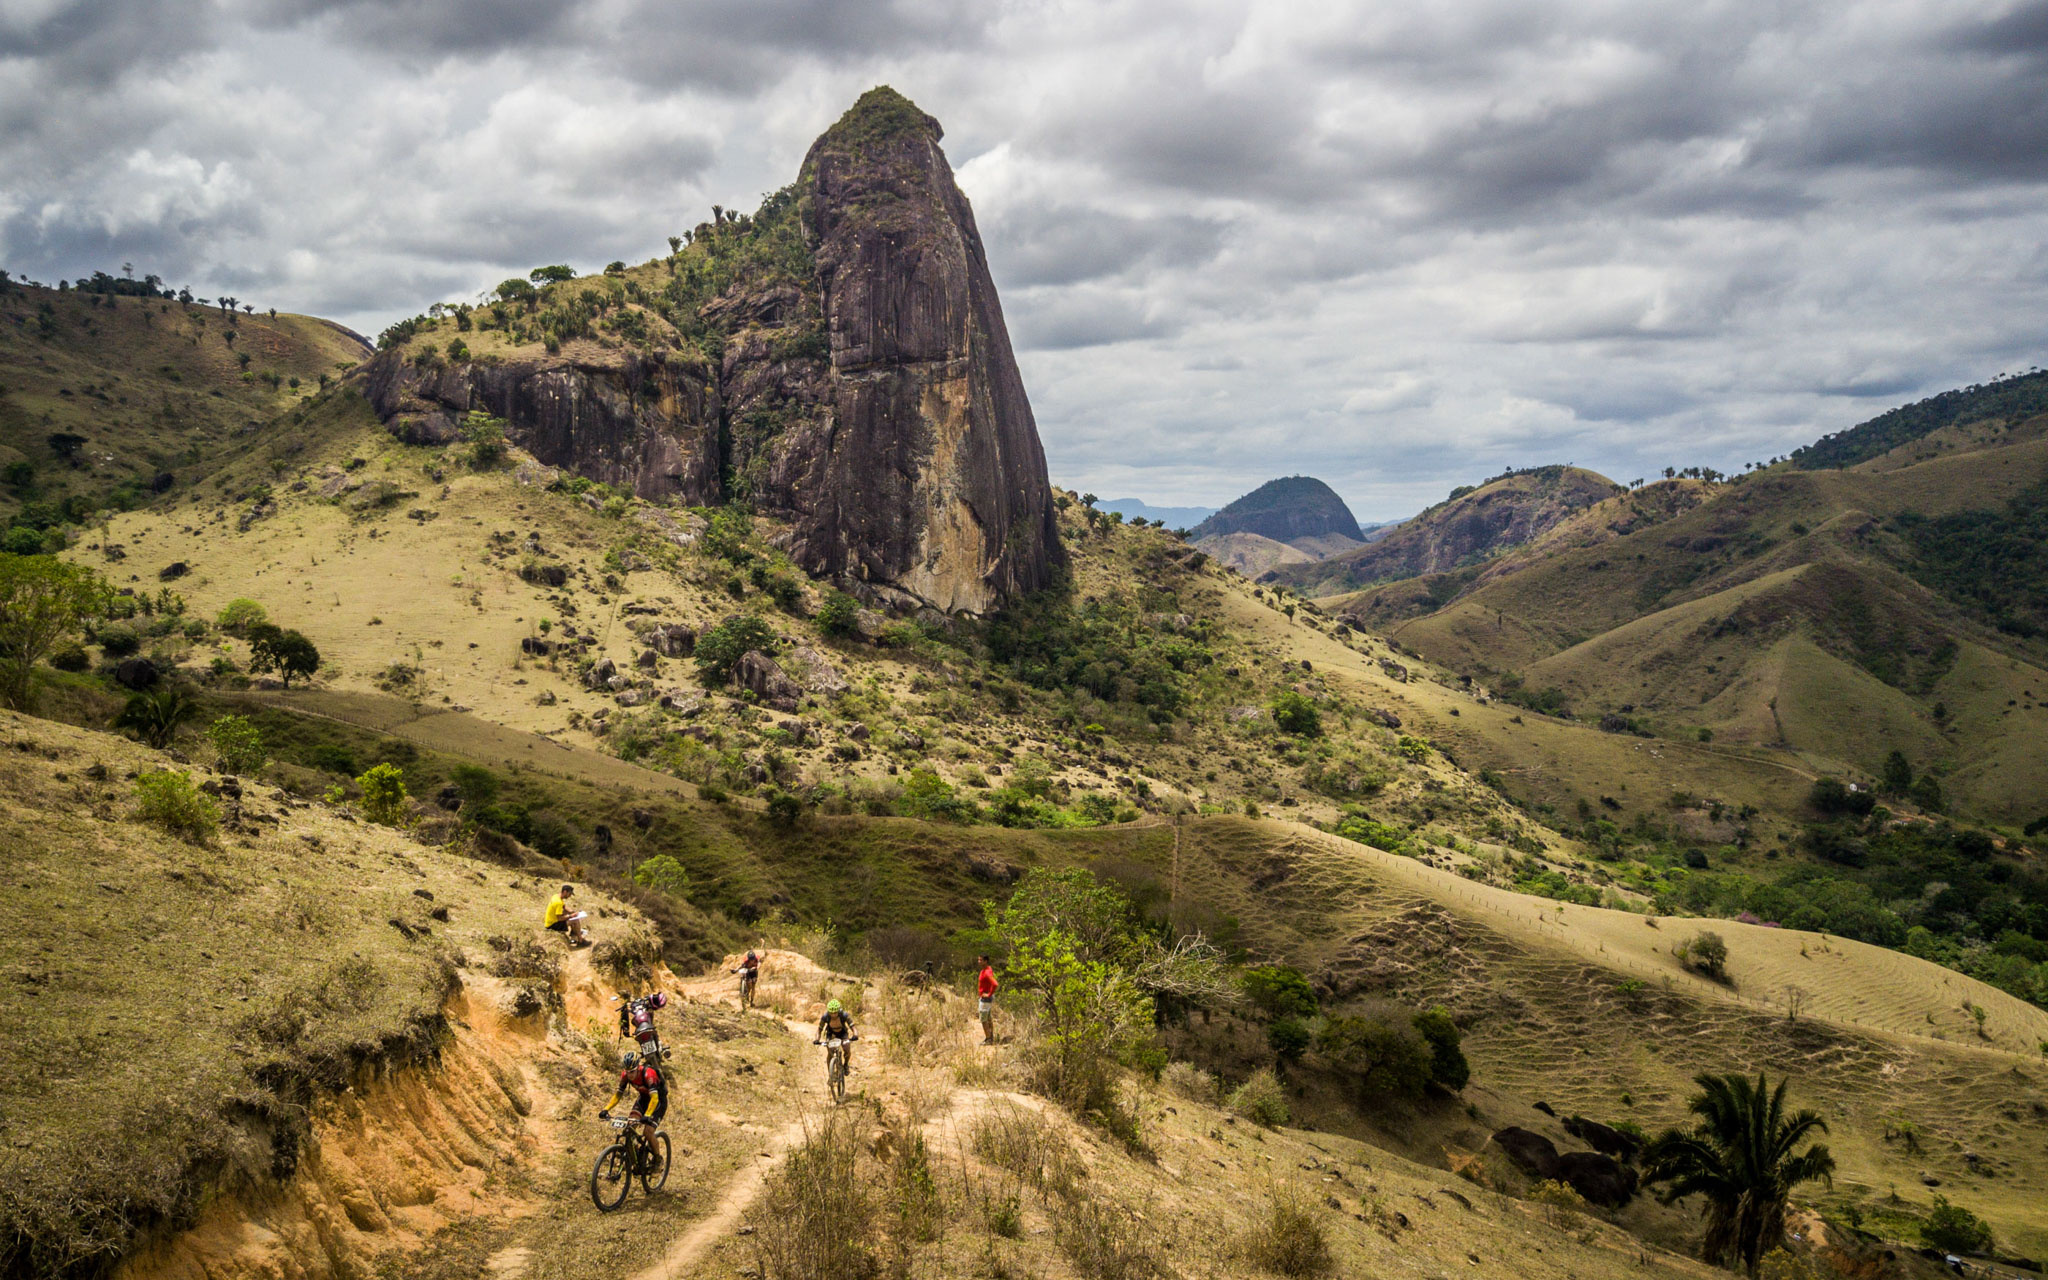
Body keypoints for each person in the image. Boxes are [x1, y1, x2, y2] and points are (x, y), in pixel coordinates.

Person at [599, 1049, 667, 1171]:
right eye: (627, 1071)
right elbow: (618, 1095)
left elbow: (655, 1098)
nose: (629, 1075)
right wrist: (606, 1109)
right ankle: (634, 1157)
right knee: (629, 1127)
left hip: (658, 1102)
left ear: (638, 1068)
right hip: (643, 1100)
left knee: (648, 1131)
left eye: (632, 1071)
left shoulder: (648, 1074)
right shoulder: (625, 1076)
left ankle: (658, 1160)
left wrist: (647, 1115)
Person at [813, 998, 858, 1075]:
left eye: (835, 1013)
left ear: (838, 1011)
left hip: (843, 1033)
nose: (833, 1015)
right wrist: (817, 1039)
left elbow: (853, 1027)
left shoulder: (844, 1015)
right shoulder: (825, 1017)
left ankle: (846, 1065)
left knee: (847, 1049)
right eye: (831, 1013)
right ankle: (830, 1074)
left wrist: (855, 1035)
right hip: (831, 1034)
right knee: (830, 1052)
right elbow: (819, 1029)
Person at [976, 955, 999, 1045]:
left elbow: (995, 984)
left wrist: (989, 994)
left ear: (986, 961)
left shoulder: (987, 972)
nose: (979, 961)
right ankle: (990, 1037)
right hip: (986, 998)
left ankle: (988, 1039)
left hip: (985, 999)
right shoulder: (987, 969)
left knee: (983, 1019)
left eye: (981, 960)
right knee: (988, 1018)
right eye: (978, 960)